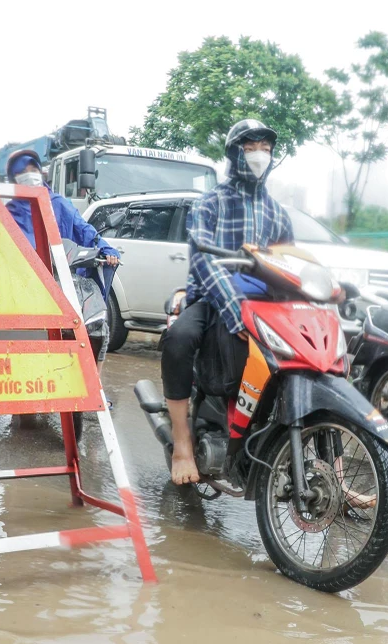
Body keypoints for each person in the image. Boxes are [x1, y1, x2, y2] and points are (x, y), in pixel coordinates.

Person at [160, 119, 293, 485]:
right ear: (235, 154)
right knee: (180, 339)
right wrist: (236, 309)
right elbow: (203, 262)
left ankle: (337, 476)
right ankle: (183, 443)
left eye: (265, 148)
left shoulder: (278, 213)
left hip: (262, 306)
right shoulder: (211, 203)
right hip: (212, 297)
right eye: (250, 148)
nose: (259, 155)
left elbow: (289, 265)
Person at [4, 150, 119, 380]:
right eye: (22, 172)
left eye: (33, 170)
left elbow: (84, 230)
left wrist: (106, 249)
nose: (29, 175)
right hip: (24, 287)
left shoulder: (59, 204)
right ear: (13, 178)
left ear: (41, 172)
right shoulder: (8, 213)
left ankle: (92, 386)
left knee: (97, 325)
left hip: (64, 282)